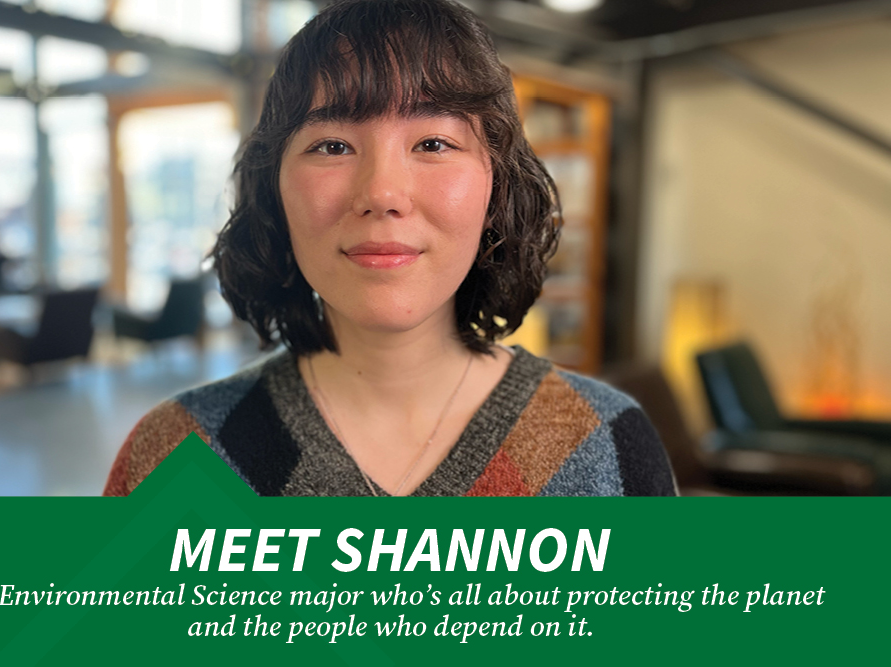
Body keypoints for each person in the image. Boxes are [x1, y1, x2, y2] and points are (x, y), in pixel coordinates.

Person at [104, 0, 675, 497]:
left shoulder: (604, 444)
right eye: (331, 145)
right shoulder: (176, 455)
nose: (381, 194)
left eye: (432, 142)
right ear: (273, 190)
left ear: (496, 187)